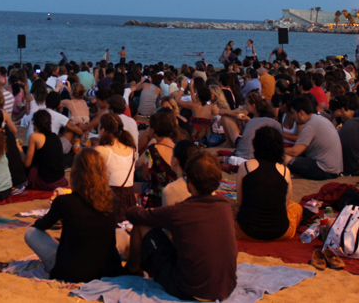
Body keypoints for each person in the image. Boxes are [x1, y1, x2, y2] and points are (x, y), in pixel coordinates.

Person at [125, 152, 237, 301]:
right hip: (225, 288)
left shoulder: (181, 211)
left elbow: (136, 217)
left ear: (189, 182)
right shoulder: (225, 206)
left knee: (141, 227)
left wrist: (133, 207)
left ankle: (131, 270)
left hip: (188, 289)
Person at [24, 149, 125, 282]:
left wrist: (60, 218)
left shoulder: (64, 202)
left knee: (31, 233)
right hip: (106, 269)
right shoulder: (111, 200)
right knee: (119, 233)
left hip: (71, 271)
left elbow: (42, 225)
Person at [235, 126, 303, 241]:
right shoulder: (285, 171)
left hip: (244, 230)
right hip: (280, 232)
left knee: (228, 204)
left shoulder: (245, 167)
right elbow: (284, 206)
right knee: (296, 207)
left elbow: (241, 202)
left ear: (255, 145)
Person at [284, 96, 342, 180]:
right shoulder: (319, 119)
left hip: (324, 170)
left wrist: (278, 150)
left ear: (301, 113)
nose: (292, 117)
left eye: (293, 113)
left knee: (283, 157)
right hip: (334, 170)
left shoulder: (310, 125)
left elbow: (295, 151)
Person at [96, 113, 138, 221]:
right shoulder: (131, 149)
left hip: (110, 200)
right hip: (130, 200)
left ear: (103, 130)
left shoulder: (101, 150)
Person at [24, 109, 68, 190]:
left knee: (25, 158)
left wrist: (19, 152)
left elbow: (27, 164)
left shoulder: (34, 136)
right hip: (61, 180)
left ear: (36, 124)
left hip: (46, 182)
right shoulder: (55, 136)